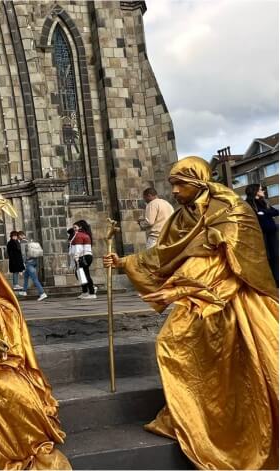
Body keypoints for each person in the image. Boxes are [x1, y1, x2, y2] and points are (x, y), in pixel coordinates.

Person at [104, 156, 279, 470]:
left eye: (179, 183)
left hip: (231, 301)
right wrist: (124, 262)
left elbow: (232, 268)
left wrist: (182, 290)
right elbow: (163, 254)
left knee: (233, 363)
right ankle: (193, 414)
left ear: (198, 181)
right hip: (196, 297)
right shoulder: (181, 217)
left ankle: (228, 427)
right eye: (171, 183)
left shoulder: (232, 212)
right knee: (174, 345)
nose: (173, 190)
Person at [0, 256, 71, 469]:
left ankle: (18, 445)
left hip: (7, 368)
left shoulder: (6, 309)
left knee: (9, 388)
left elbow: (17, 351)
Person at [245, 184, 279, 285]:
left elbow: (275, 211)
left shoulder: (264, 202)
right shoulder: (248, 203)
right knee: (265, 256)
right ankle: (267, 280)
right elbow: (255, 214)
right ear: (255, 191)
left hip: (271, 232)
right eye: (260, 189)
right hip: (260, 233)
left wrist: (264, 212)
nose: (263, 191)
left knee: (275, 255)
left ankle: (277, 278)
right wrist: (264, 212)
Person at [17, 231, 47, 301]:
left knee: (34, 279)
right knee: (26, 276)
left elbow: (23, 254)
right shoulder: (29, 241)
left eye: (18, 236)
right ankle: (24, 291)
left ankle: (42, 293)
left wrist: (23, 263)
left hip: (28, 263)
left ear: (21, 236)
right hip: (34, 261)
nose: (18, 238)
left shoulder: (22, 242)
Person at [71, 220, 96, 299]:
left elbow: (78, 248)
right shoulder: (85, 234)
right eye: (73, 227)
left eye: (75, 227)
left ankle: (91, 292)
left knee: (84, 274)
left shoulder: (79, 235)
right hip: (86, 256)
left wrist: (76, 257)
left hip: (83, 257)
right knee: (81, 274)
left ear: (80, 227)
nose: (74, 229)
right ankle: (85, 291)